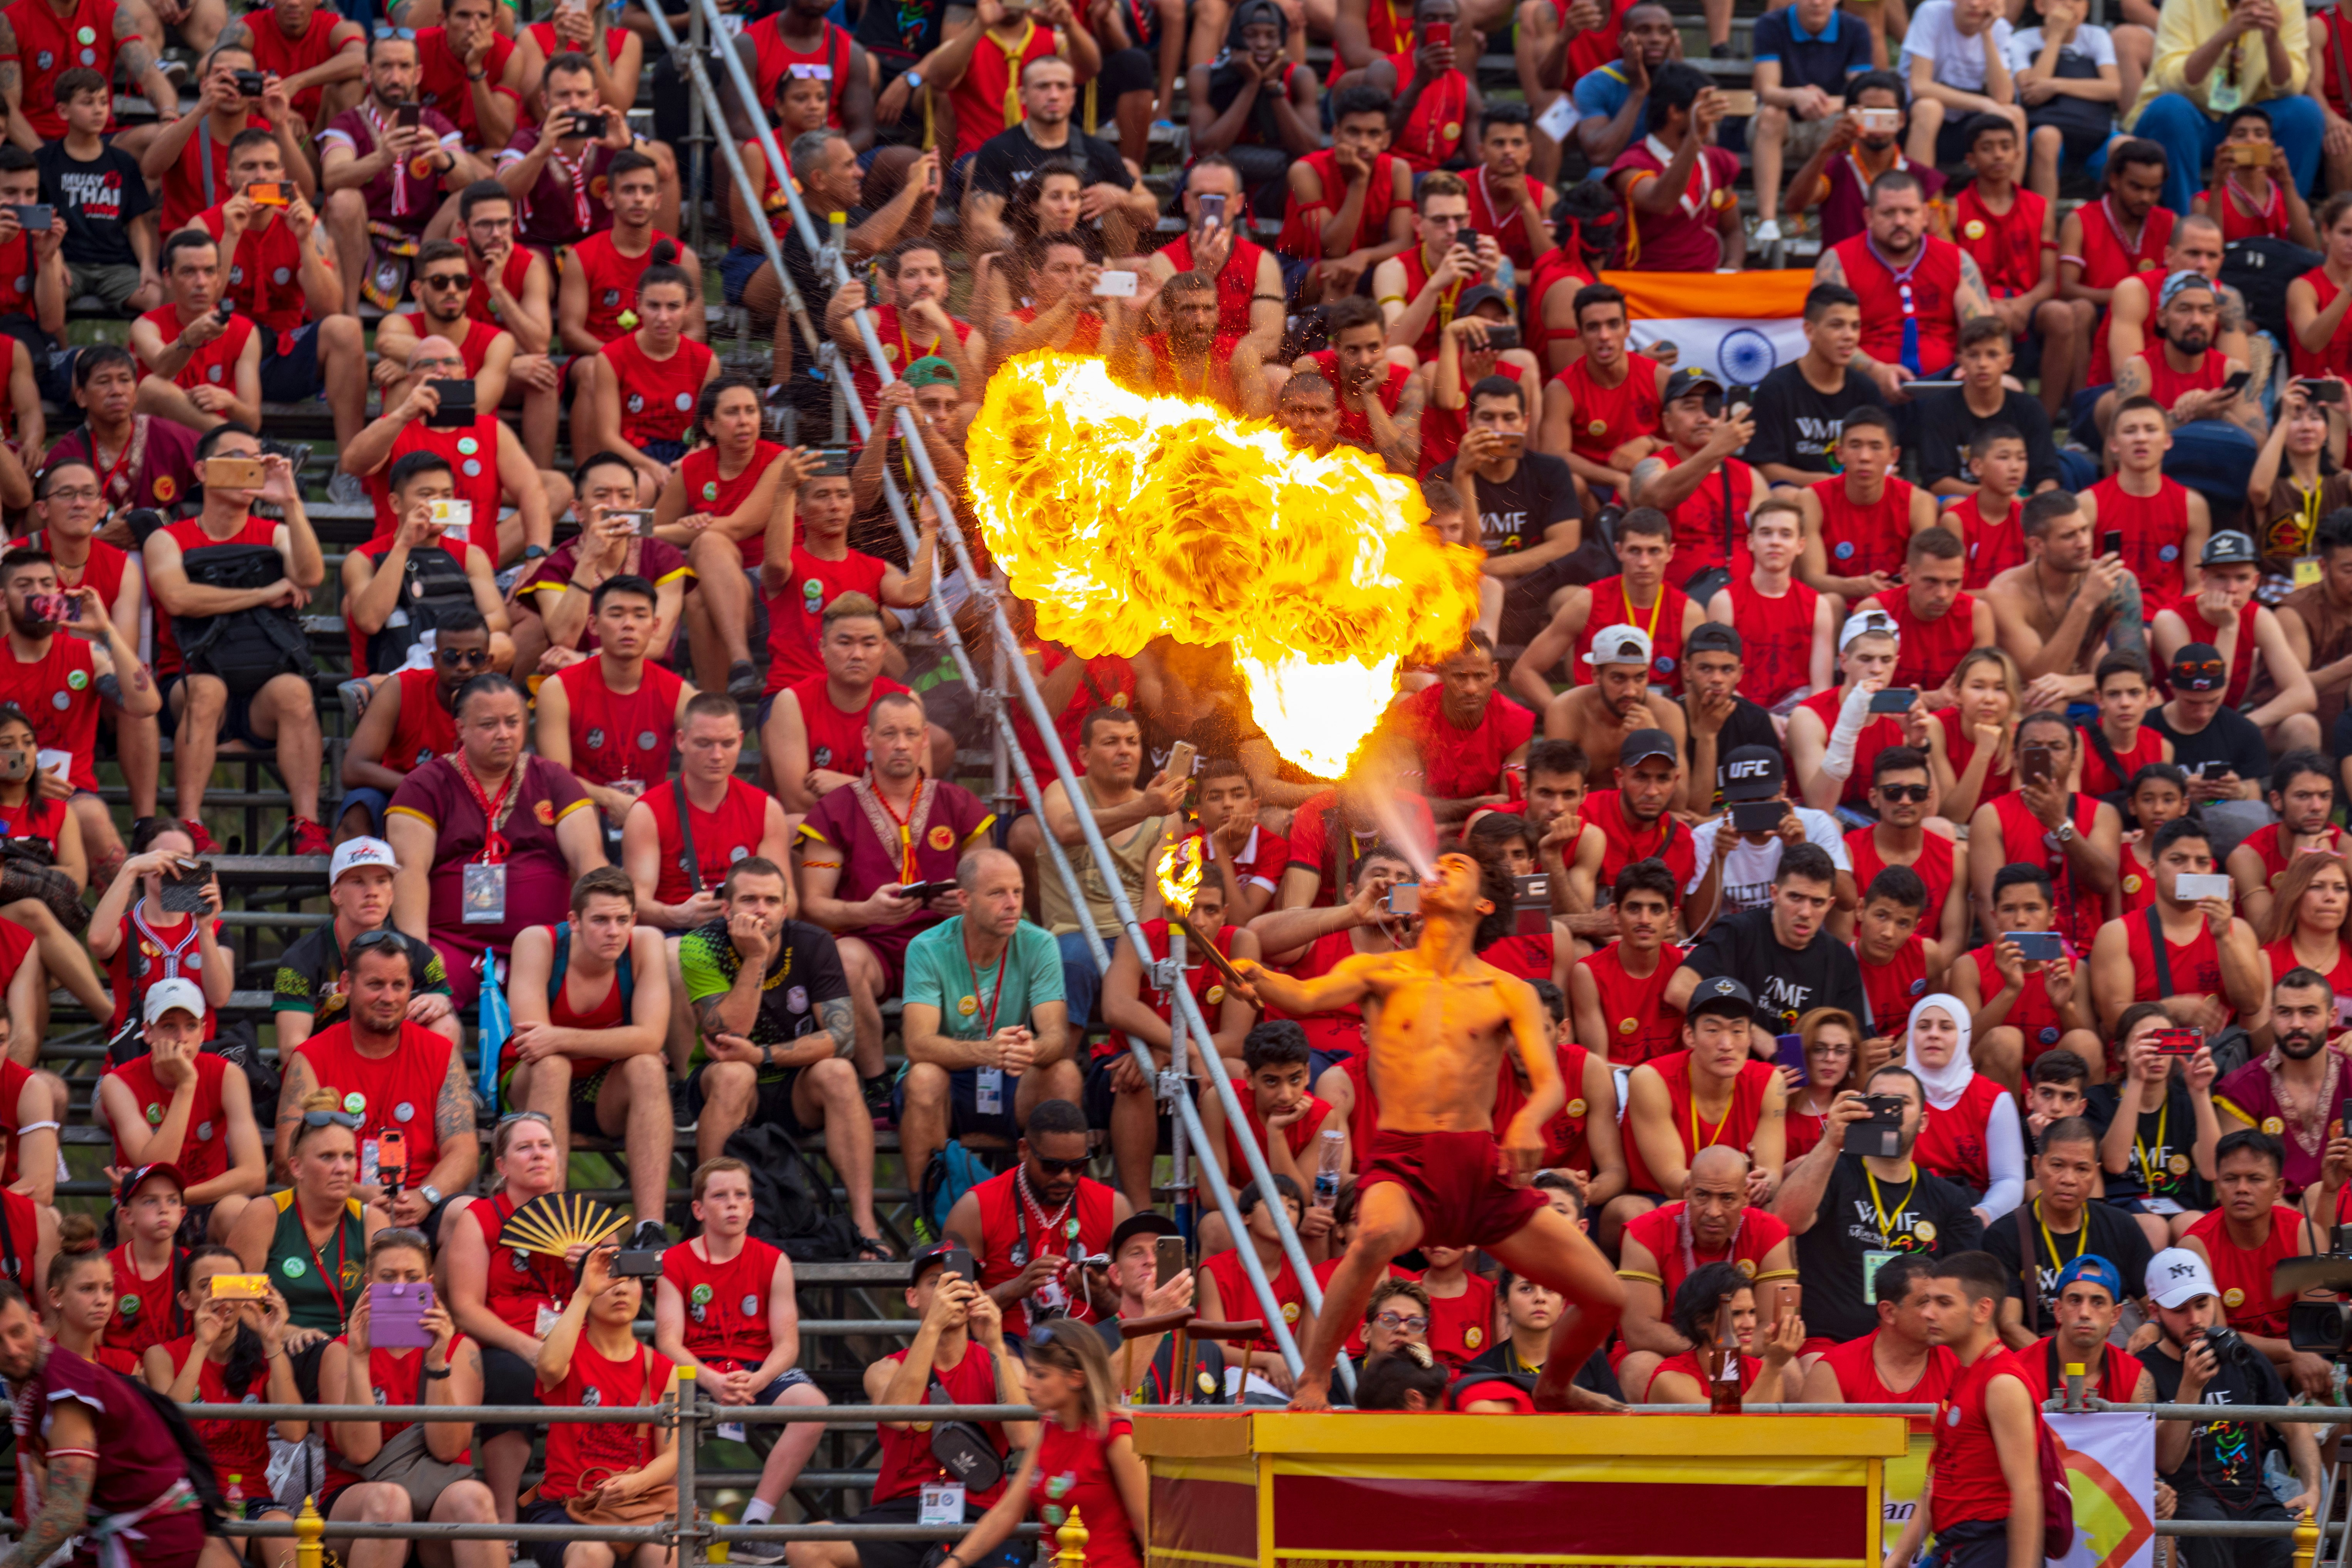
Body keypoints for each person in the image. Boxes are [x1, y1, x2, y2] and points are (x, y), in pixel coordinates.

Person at [1230, 850, 1627, 1412]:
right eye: (1435, 863)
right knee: (1370, 1238)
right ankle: (1313, 1378)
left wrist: (1526, 1117)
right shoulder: (1379, 971)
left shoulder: (1507, 988)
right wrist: (1259, 977)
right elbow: (1303, 995)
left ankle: (1555, 1384)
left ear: (1483, 903)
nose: (1438, 868)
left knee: (1607, 1296)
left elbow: (1548, 1082)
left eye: (1458, 865)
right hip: (1403, 1159)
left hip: (1480, 1169)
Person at [677, 857, 883, 1256]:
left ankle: (864, 1225)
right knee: (734, 1074)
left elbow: (842, 1039)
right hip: (727, 1087)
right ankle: (712, 1227)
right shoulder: (700, 945)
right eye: (749, 899)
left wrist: (763, 1055)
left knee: (839, 1072)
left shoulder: (814, 942)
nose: (760, 910)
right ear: (726, 909)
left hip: (793, 1086)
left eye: (771, 901)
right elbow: (726, 1035)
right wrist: (755, 957)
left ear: (785, 909)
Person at [781, 1245, 1033, 1568]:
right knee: (806, 1547)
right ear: (912, 1297)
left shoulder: (1004, 1362)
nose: (950, 1290)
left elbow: (1024, 1438)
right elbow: (899, 1417)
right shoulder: (885, 1369)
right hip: (903, 1514)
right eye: (936, 1282)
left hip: (981, 1519)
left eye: (960, 1281)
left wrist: (995, 1343)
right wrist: (932, 1326)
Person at [142, 426, 329, 854]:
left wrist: (290, 502)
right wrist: (263, 594)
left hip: (262, 684)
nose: (252, 467)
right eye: (237, 458)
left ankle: (308, 827)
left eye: (257, 459)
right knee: (207, 690)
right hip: (193, 685)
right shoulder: (168, 538)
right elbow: (177, 597)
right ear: (204, 471)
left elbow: (310, 576)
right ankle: (191, 825)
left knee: (296, 691)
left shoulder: (275, 532)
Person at [386, 673, 605, 1011]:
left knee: (568, 1022)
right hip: (452, 947)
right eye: (489, 724)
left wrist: (593, 943)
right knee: (427, 1017)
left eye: (513, 722)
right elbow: (409, 871)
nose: (504, 734)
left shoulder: (553, 779)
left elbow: (590, 862)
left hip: (544, 946)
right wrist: (421, 954)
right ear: (460, 728)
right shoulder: (424, 785)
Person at [652, 1158, 828, 1564]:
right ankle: (678, 1521)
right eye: (719, 1196)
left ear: (751, 1207)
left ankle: (754, 1525)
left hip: (757, 1368)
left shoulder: (774, 1261)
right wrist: (713, 1381)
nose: (732, 1205)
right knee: (657, 1402)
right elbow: (668, 1342)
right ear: (699, 1210)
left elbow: (787, 1345)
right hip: (696, 1369)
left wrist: (760, 1378)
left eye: (740, 1196)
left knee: (813, 1407)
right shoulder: (674, 1263)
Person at [899, 848, 1081, 1234]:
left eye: (1017, 891)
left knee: (1063, 1073)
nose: (1013, 904)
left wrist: (1030, 1050)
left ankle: (1049, 1216)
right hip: (952, 1078)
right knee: (923, 1078)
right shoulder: (927, 947)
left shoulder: (1040, 943)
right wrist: (986, 1051)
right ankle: (928, 1218)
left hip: (1011, 1074)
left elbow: (1056, 1036)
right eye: (997, 893)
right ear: (964, 899)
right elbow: (917, 1045)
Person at [317, 1227, 502, 1568]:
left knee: (476, 1500)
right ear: (368, 1284)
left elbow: (448, 1448)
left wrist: (437, 1361)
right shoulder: (339, 1352)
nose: (400, 1287)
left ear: (429, 1284)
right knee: (390, 1502)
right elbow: (361, 1451)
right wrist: (359, 1358)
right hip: (362, 1495)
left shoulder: (461, 1349)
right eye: (388, 1277)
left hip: (438, 1492)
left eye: (412, 1277)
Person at [502, 868, 672, 1234]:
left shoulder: (646, 944)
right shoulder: (539, 942)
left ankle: (650, 1226)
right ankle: (547, 1221)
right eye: (600, 920)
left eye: (622, 920)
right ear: (574, 921)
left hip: (604, 1092)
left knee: (648, 1067)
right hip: (534, 1086)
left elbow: (651, 1039)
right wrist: (620, 1040)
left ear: (634, 920)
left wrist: (561, 1036)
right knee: (553, 1066)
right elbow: (533, 1042)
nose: (613, 931)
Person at [0, 1276, 210, 1568]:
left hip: (150, 1536)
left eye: (17, 1331)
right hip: (127, 1532)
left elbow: (66, 1513)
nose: (11, 1349)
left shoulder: (65, 1389)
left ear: (37, 1322)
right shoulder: (40, 1378)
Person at [277, 933, 474, 1239]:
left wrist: (426, 1196)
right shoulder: (311, 1057)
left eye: (398, 986)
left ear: (411, 986)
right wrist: (355, 1194)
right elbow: (287, 1159)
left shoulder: (441, 1053)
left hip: (420, 1206)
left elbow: (463, 1150)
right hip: (338, 1205)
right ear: (346, 985)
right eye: (375, 985)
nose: (388, 997)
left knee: (467, 1215)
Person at [1776, 1063, 1988, 1342]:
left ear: (1923, 1122)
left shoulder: (1949, 1197)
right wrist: (1830, 1143)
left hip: (1918, 1346)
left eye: (1901, 1103)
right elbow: (1784, 1221)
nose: (1890, 1113)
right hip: (1832, 1343)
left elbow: (1967, 1290)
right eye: (1878, 1102)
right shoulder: (1830, 1169)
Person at [2142, 1244, 2325, 1562]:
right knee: (2207, 1532)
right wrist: (2190, 1387)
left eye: (2202, 1304)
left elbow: (2295, 1427)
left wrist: (2312, 1489)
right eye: (2179, 1309)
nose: (2195, 1319)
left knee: (2291, 1550)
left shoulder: (2241, 1355)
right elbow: (2167, 1461)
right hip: (2188, 1500)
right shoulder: (2142, 1371)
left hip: (2252, 1498)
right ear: (2154, 1311)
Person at [0, 548, 157, 886]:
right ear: (2, 599)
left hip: (72, 796)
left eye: (46, 584)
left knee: (156, 840)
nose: (39, 594)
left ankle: (122, 936)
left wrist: (106, 631)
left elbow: (146, 705)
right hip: (4, 793)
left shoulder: (88, 653)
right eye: (25, 586)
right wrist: (26, 776)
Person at [521, 1243, 682, 1568]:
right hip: (565, 1509)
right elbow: (549, 1368)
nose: (620, 1288)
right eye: (608, 1280)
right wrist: (582, 1292)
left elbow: (671, 1455)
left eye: (631, 1280)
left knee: (665, 1552)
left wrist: (636, 1482)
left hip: (636, 1505)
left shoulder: (664, 1369)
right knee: (593, 1553)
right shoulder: (569, 1351)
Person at [1882, 1251, 2045, 1568]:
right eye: (1927, 1301)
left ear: (1983, 1309)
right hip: (1958, 1545)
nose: (1928, 1313)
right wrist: (1899, 1557)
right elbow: (1940, 1475)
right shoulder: (1965, 1371)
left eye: (1944, 1303)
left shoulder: (2001, 1383)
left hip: (1989, 1547)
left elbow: (2026, 1489)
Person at [145, 1245, 304, 1558]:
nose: (221, 1297)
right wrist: (202, 1344)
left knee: (284, 1534)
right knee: (227, 1532)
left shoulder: (264, 1356)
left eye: (231, 1284)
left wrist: (273, 1342)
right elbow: (167, 1430)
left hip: (253, 1495)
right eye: (208, 1286)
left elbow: (296, 1431)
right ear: (186, 1300)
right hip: (192, 1494)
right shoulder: (162, 1355)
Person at [1612, 1145, 1797, 1399]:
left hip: (1738, 1349)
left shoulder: (1770, 1232)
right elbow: (1639, 1332)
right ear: (1687, 1190)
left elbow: (1776, 1327)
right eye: (1702, 1195)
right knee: (1639, 1365)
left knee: (1788, 1369)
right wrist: (1711, 1347)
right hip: (1669, 1353)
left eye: (1727, 1198)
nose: (1713, 1211)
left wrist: (1725, 1352)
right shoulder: (1645, 1231)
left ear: (1745, 1195)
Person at [96, 978, 264, 1244]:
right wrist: (187, 1084)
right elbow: (156, 1166)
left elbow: (255, 1175)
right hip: (148, 1205)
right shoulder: (118, 1083)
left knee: (239, 1212)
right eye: (168, 1026)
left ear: (203, 1032)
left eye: (191, 1025)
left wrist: (181, 1198)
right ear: (148, 1032)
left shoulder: (227, 1075)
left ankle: (237, 1289)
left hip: (209, 1201)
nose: (181, 1037)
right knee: (132, 1219)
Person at [532, 575, 694, 830]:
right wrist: (610, 799)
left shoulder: (680, 693)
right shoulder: (558, 689)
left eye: (640, 615)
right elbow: (557, 778)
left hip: (653, 821)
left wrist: (649, 808)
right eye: (616, 614)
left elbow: (695, 776)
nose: (628, 625)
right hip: (580, 816)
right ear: (593, 625)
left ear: (656, 626)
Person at [623, 693, 793, 933]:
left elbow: (789, 901)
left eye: (727, 744)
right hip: (679, 931)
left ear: (741, 740)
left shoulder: (766, 809)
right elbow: (635, 904)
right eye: (704, 744)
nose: (717, 756)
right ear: (681, 741)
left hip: (752, 927)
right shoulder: (648, 812)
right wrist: (677, 915)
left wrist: (750, 911)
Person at [1818, 171, 1994, 398]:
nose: (1900, 221)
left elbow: (1983, 332)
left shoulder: (1957, 261)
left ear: (1924, 215)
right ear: (1869, 217)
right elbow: (1826, 336)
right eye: (1889, 213)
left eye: (1909, 212)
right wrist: (1875, 371)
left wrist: (1969, 367)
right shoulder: (1839, 261)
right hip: (1864, 386)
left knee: (2012, 392)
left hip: (1948, 388)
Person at [2089, 815, 2269, 1035]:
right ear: (2152, 868)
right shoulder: (2118, 934)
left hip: (2215, 1058)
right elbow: (2112, 1020)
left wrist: (2224, 937)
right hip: (2147, 1058)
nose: (2191, 870)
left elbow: (2251, 1005)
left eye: (2202, 862)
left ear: (2212, 871)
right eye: (2177, 860)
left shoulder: (2237, 930)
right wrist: (2170, 1008)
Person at [961, 56, 1152, 258]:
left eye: (1062, 87)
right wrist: (1039, 254)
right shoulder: (999, 149)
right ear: (1023, 96)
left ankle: (1116, 284)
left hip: (1083, 264)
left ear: (1072, 95)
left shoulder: (1098, 151)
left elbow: (1151, 217)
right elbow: (982, 224)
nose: (1053, 95)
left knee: (1123, 186)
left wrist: (1122, 199)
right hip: (1021, 258)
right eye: (1043, 87)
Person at [1985, 1115, 2154, 1342]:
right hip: (2037, 1355)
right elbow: (2009, 1326)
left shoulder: (2122, 1227)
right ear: (2036, 1166)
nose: (2069, 1179)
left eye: (2082, 1169)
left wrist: (2152, 1326)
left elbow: (2158, 1308)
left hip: (2107, 1351)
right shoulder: (2004, 1235)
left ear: (2096, 1173)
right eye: (2057, 1166)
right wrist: (2057, 1363)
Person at [230, 1088, 385, 1336]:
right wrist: (288, 1333)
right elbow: (234, 1305)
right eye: (327, 1157)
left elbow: (391, 1310)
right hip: (279, 1346)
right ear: (297, 1167)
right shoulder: (266, 1214)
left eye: (349, 1156)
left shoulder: (371, 1221)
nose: (342, 1169)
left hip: (351, 1350)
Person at [1670, 842, 1866, 1033]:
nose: (1805, 912)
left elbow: (1851, 1037)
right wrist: (1748, 1033)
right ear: (1775, 894)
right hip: (1738, 1062)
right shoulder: (1737, 932)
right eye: (1795, 898)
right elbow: (1679, 990)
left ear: (1830, 905)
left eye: (1817, 902)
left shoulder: (1840, 960)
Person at [335, 609, 497, 842]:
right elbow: (353, 769)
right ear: (434, 660)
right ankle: (349, 878)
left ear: (488, 663)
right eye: (452, 657)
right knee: (361, 807)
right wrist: (424, 787)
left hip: (468, 805)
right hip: (398, 795)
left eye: (475, 657)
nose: (463, 666)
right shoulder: (401, 689)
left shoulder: (500, 702)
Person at [87, 820, 233, 1048]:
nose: (173, 866)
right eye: (163, 857)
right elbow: (97, 941)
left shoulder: (214, 929)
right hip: (135, 1061)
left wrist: (204, 929)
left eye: (184, 858)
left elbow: (220, 997)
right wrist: (130, 869)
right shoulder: (127, 927)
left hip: (197, 1059)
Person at [2092, 1002, 2222, 1251]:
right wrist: (2136, 1080)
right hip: (2120, 1205)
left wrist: (2200, 1092)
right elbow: (2115, 1164)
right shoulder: (2099, 1100)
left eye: (2164, 1043)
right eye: (2146, 1044)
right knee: (2154, 1227)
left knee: (2194, 1224)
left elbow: (2211, 1169)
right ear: (2121, 1053)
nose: (2155, 1053)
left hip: (2177, 1204)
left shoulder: (2185, 1100)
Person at [1683, 745, 1851, 933]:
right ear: (1728, 799)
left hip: (1800, 941)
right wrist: (1718, 857)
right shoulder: (1708, 837)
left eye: (1764, 799)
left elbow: (1848, 901)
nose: (1755, 809)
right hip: (1737, 944)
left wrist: (1803, 849)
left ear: (1783, 789)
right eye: (1744, 802)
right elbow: (1699, 928)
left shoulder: (1816, 824)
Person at [1275, 84, 1416, 301]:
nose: (1363, 143)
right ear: (1336, 134)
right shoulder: (1306, 170)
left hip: (1362, 263)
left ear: (1386, 140)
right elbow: (1334, 248)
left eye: (1373, 134)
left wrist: (1364, 256)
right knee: (1338, 274)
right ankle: (1331, 336)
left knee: (1391, 273)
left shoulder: (1398, 170)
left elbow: (1403, 243)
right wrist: (1360, 181)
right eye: (1353, 132)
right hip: (1301, 267)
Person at [1748, 0, 1872, 245]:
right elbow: (1768, 91)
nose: (1817, 2)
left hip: (1830, 122)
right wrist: (1797, 96)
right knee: (1771, 115)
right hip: (1784, 125)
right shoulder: (1770, 24)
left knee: (1858, 119)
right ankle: (1768, 222)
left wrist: (1828, 103)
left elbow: (1863, 93)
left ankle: (1858, 224)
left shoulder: (1856, 28)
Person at [1785, 74, 1951, 252]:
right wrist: (1826, 149)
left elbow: (1941, 246)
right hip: (1842, 276)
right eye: (1869, 113)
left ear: (1902, 120)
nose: (1878, 122)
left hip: (1902, 278)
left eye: (1887, 112)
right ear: (1850, 116)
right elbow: (1795, 204)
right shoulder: (1833, 169)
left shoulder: (1924, 178)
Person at [1537, 281, 1666, 501]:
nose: (1604, 336)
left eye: (1613, 325)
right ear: (1580, 336)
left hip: (1653, 484)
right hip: (1594, 491)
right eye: (1593, 327)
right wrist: (1616, 479)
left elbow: (1691, 446)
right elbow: (1553, 455)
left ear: (1627, 329)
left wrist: (1650, 443)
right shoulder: (1562, 389)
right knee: (1569, 482)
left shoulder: (1660, 377)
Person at [1741, 285, 1880, 488]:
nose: (1849, 336)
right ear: (1809, 331)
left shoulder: (1867, 389)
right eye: (1837, 325)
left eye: (1855, 326)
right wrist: (1830, 486)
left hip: (1856, 496)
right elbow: (1765, 468)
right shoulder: (1776, 388)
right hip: (1794, 501)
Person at [1609, 63, 1743, 272]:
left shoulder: (1717, 161)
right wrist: (1694, 138)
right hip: (1647, 286)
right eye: (1703, 107)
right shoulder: (1632, 164)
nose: (1712, 116)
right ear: (1676, 113)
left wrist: (1733, 266)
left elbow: (1733, 230)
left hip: (1707, 284)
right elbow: (1662, 202)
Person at [1796, 411, 1938, 603]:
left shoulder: (1918, 502)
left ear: (1894, 456)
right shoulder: (1812, 499)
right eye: (1855, 446)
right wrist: (1860, 587)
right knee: (1832, 602)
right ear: (1840, 454)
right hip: (1837, 607)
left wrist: (1888, 594)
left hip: (1898, 604)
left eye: (1876, 447)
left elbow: (1924, 573)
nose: (1865, 457)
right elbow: (1812, 579)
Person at [45, 344, 198, 517]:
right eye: (103, 382)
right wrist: (103, 538)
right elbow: (44, 524)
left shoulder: (172, 437)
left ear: (136, 393)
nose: (116, 391)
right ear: (81, 397)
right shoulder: (68, 453)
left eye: (125, 380)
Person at [1800, 1252, 1963, 1402]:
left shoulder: (1961, 1365)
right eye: (1925, 1302)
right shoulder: (1833, 1371)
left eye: (1942, 1303)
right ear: (1889, 1312)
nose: (1937, 1314)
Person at [1639, 1262, 1806, 1405]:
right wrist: (1773, 1365)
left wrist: (1772, 1367)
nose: (1750, 1325)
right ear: (1701, 1321)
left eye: (1752, 1312)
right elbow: (1729, 1427)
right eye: (1736, 1314)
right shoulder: (1670, 1379)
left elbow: (1761, 1433)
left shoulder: (1761, 1371)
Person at [103, 1166, 184, 1367]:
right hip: (122, 1380)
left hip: (178, 1379)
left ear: (182, 1214)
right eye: (150, 1201)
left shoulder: (194, 1268)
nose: (164, 1209)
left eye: (172, 1200)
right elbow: (89, 1346)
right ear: (127, 1215)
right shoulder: (105, 1270)